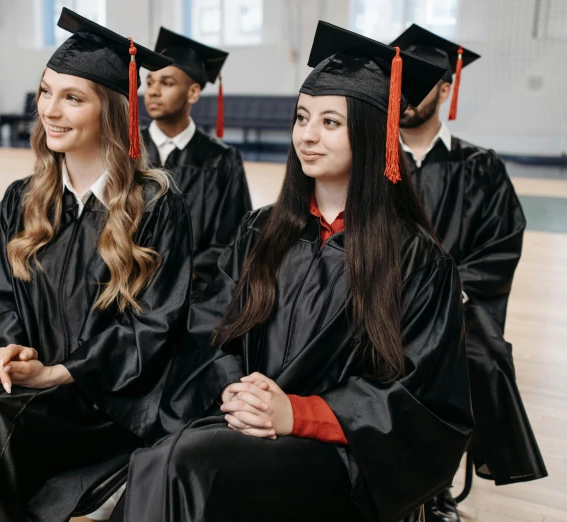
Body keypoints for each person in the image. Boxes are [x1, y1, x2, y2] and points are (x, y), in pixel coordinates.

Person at [115, 21, 474, 522]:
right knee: (166, 462)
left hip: (340, 455)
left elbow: (423, 396)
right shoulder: (261, 231)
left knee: (185, 465)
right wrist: (237, 392)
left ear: (372, 134)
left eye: (330, 122)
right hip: (238, 422)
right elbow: (211, 328)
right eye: (302, 117)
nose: (306, 135)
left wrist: (297, 413)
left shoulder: (417, 259)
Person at [0, 9, 193, 522]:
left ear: (112, 111)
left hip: (106, 401)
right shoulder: (23, 199)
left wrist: (59, 372)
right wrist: (6, 352)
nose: (50, 109)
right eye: (46, 92)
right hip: (30, 384)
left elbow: (152, 328)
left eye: (73, 98)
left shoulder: (155, 206)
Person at [391, 23, 547, 522]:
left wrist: (442, 292)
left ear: (445, 87)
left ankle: (435, 487)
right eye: (402, 82)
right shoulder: (374, 165)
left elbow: (500, 249)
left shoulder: (480, 166)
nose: (409, 96)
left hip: (457, 307)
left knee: (475, 359)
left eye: (422, 83)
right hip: (378, 300)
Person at [143, 27, 252, 293]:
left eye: (167, 83)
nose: (153, 91)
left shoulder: (221, 159)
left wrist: (183, 274)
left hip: (192, 294)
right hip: (128, 288)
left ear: (192, 93)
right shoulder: (127, 151)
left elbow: (233, 236)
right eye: (149, 82)